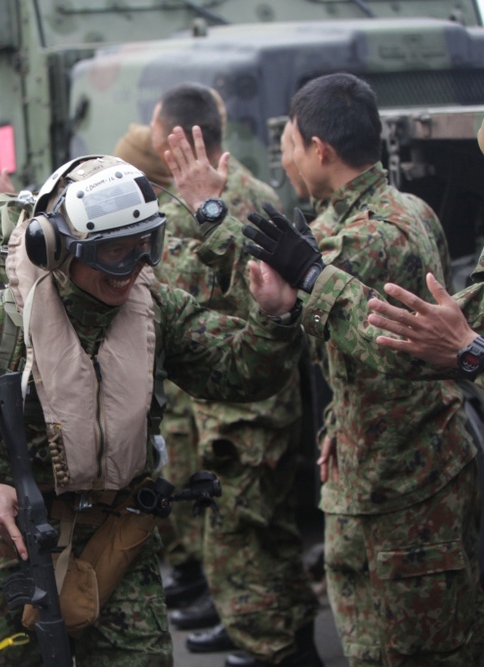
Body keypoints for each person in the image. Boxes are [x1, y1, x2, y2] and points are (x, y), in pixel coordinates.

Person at [0, 154, 305, 666]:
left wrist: (275, 320)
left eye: (144, 247)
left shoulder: (156, 311)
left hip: (122, 541)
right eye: (112, 253)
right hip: (23, 556)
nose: (130, 269)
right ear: (58, 248)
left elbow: (239, 371)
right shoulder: (0, 325)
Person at [187, 72, 479, 665]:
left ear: (320, 150)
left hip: (399, 482)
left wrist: (211, 215)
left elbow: (269, 298)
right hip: (382, 458)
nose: (287, 160)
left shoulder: (368, 235)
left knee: (412, 648)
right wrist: (335, 429)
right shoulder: (408, 208)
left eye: (289, 146)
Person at [147, 84, 319, 667]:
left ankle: (269, 641)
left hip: (235, 405)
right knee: (266, 530)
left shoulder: (200, 207)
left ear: (174, 135)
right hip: (256, 395)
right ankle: (279, 636)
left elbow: (186, 306)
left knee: (239, 535)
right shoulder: (256, 189)